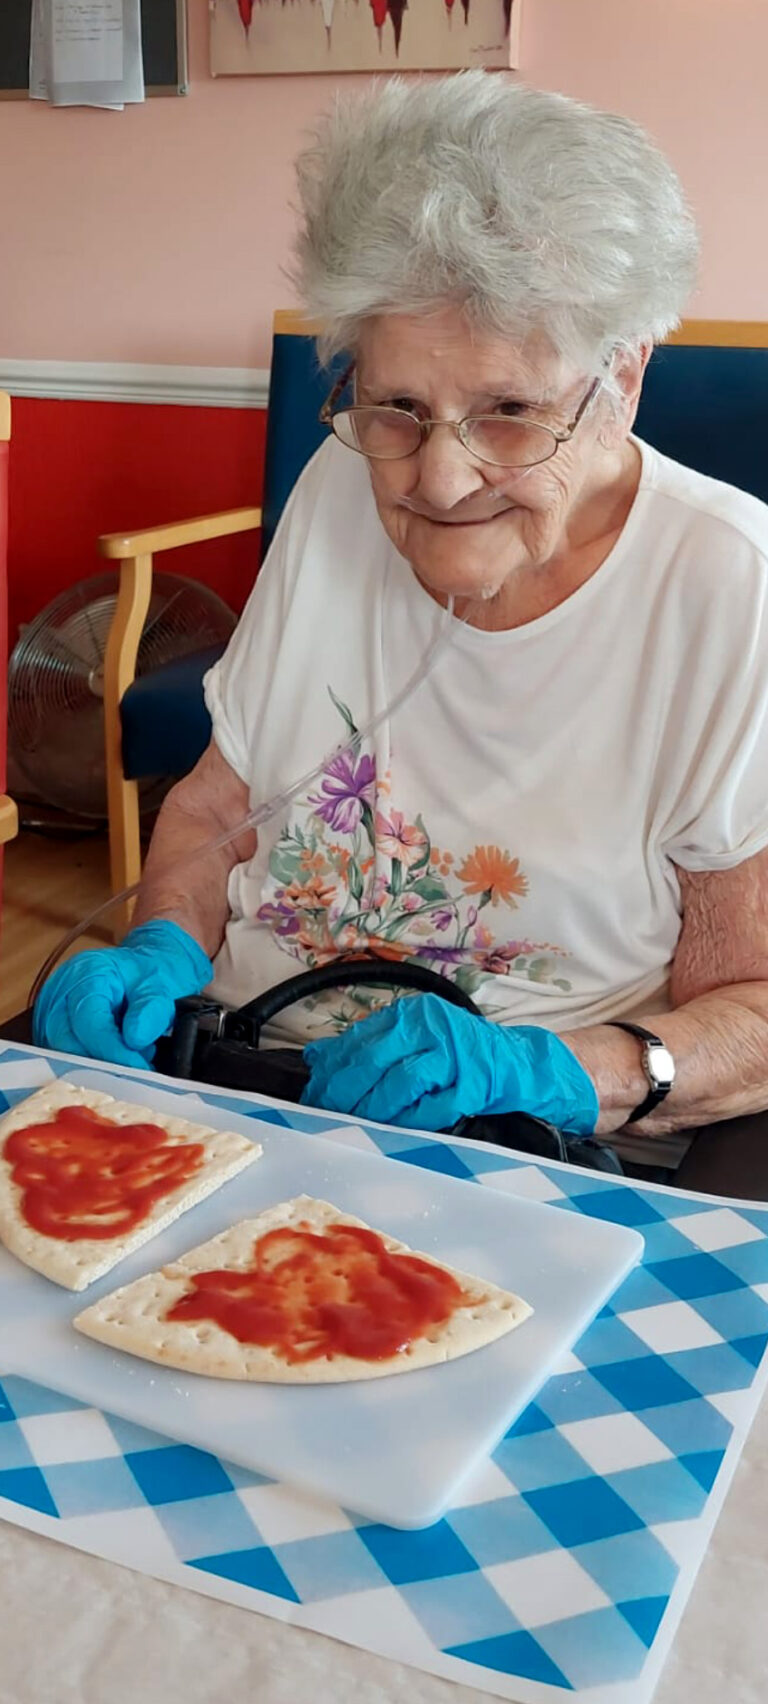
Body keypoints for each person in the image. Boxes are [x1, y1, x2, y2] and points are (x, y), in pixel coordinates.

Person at [33, 74, 768, 1176]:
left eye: (509, 412)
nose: (439, 479)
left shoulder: (728, 586)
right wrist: (166, 938)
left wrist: (563, 1074)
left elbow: (755, 1012)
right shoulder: (336, 487)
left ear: (622, 377)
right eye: (398, 408)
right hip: (238, 1082)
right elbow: (221, 805)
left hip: (522, 1149)